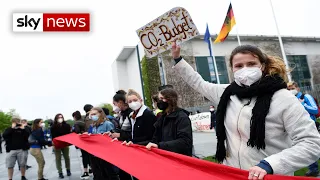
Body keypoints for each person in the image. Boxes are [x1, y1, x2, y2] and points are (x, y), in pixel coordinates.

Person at [170, 42, 320, 179]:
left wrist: (271, 165)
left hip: (270, 176)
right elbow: (198, 83)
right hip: (233, 174)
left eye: (251, 64)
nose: (245, 69)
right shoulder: (226, 93)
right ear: (232, 69)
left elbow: (311, 143)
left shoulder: (283, 98)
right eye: (239, 66)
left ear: (262, 66)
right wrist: (177, 59)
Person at [146, 88, 193, 157]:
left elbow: (185, 142)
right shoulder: (162, 118)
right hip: (166, 157)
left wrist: (160, 146)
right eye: (159, 99)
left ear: (170, 99)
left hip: (179, 159)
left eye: (162, 98)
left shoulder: (182, 117)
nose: (159, 101)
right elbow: (155, 139)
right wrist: (135, 144)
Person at [287, 81, 320, 177]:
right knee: (306, 149)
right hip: (298, 127)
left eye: (292, 88)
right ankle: (313, 169)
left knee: (316, 146)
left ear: (297, 88)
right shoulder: (290, 99)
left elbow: (315, 110)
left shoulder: (306, 97)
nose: (291, 91)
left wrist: (302, 104)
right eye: (289, 89)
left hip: (311, 126)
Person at [85, 107, 119, 180]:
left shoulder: (107, 124)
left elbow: (113, 138)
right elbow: (90, 135)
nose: (93, 116)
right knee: (98, 175)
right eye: (91, 114)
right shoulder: (92, 126)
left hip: (106, 155)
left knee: (109, 174)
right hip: (95, 155)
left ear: (100, 114)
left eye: (94, 114)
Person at [109, 90, 133, 180]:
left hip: (130, 144)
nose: (114, 106)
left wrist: (119, 135)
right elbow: (121, 128)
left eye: (114, 104)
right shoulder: (122, 114)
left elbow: (132, 132)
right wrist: (113, 132)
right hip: (123, 145)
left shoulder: (130, 113)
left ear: (120, 102)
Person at [72, 111, 92, 180]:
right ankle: (91, 168)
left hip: (82, 141)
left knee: (84, 156)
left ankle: (85, 172)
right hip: (89, 140)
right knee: (89, 155)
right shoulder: (84, 121)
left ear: (74, 117)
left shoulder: (77, 123)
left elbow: (77, 132)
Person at [51, 114, 72, 179]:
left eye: (61, 117)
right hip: (57, 143)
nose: (60, 119)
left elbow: (69, 134)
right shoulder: (53, 127)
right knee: (58, 158)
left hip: (65, 143)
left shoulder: (66, 125)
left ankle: (68, 169)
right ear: (56, 119)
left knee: (67, 157)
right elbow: (53, 136)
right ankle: (60, 172)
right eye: (59, 117)